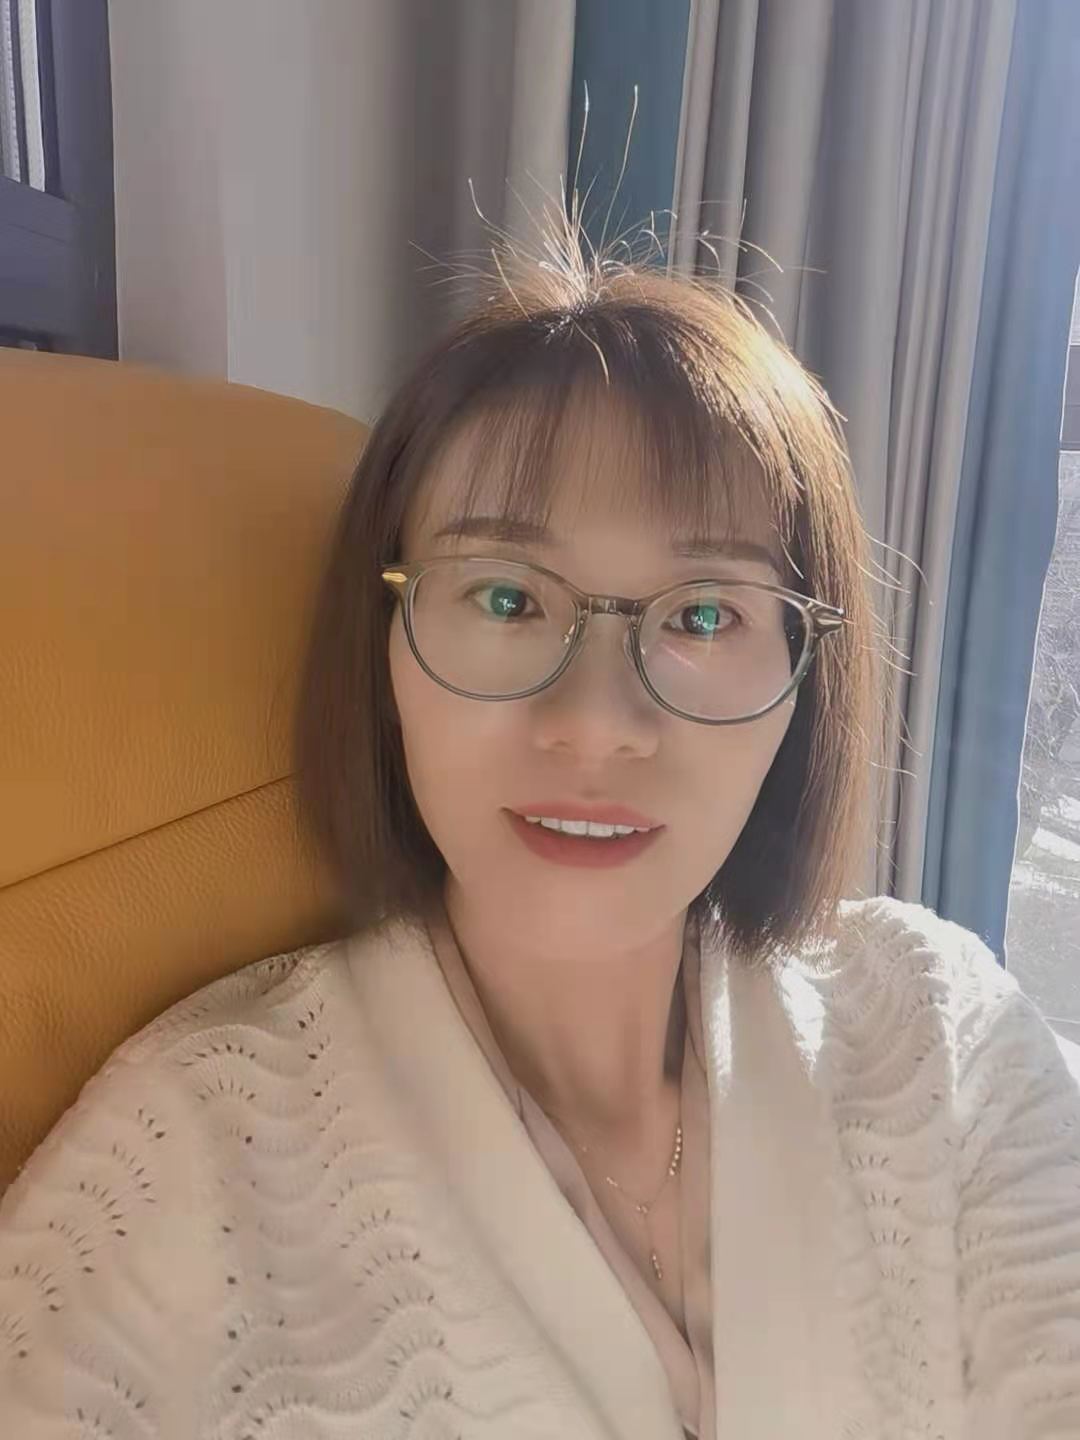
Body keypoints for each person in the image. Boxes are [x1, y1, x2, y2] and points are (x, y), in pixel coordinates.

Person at [3, 223, 1080, 1440]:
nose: (595, 725)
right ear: (383, 652)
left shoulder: (942, 1034)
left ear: (803, 682)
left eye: (706, 615)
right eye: (507, 597)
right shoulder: (192, 1152)